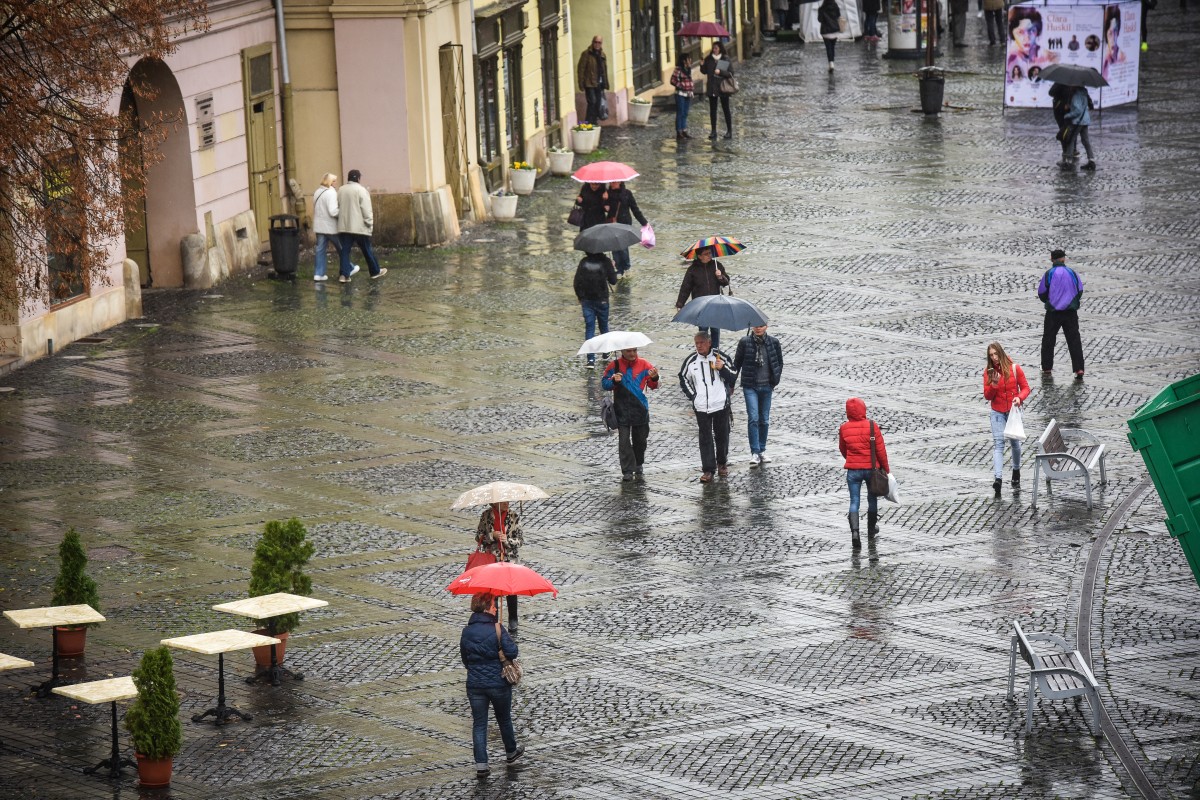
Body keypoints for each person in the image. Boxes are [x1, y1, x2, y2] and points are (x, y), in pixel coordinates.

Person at [459, 592, 523, 777]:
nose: (495, 607)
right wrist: (502, 644)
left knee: (479, 724)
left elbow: (465, 659)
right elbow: (512, 651)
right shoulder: (497, 628)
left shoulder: (466, 631)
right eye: (494, 604)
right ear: (487, 607)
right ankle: (511, 752)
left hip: (475, 685)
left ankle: (481, 764)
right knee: (503, 719)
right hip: (498, 684)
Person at [678, 332, 736, 482]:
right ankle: (708, 469)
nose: (699, 346)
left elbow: (733, 376)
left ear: (709, 342)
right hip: (701, 406)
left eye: (702, 343)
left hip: (720, 404)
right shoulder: (691, 361)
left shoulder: (721, 357)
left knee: (722, 435)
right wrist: (693, 396)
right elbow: (683, 378)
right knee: (705, 438)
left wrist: (722, 368)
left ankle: (722, 462)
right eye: (696, 343)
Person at [601, 347, 660, 482]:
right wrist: (613, 381)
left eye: (634, 350)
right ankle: (627, 470)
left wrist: (654, 378)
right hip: (621, 410)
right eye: (628, 351)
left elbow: (653, 385)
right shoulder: (614, 366)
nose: (632, 354)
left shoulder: (645, 364)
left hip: (640, 409)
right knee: (624, 442)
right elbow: (604, 383)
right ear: (622, 351)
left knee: (640, 440)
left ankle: (638, 463)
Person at [838, 398, 890, 550]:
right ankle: (871, 529)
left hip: (853, 472)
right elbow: (880, 451)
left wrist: (852, 460)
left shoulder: (844, 428)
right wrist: (886, 469)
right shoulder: (872, 426)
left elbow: (843, 448)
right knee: (872, 499)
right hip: (871, 470)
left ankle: (855, 533)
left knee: (854, 501)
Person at [983, 342, 1031, 497]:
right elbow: (987, 396)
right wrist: (994, 385)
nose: (994, 358)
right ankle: (998, 479)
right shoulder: (988, 373)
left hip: (1012, 412)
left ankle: (1016, 471)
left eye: (996, 354)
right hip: (997, 412)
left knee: (1015, 443)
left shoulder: (1015, 368)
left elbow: (1025, 388)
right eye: (991, 355)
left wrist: (1019, 397)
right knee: (998, 444)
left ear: (1001, 353)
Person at [733, 324, 783, 467]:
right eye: (756, 326)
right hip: (750, 386)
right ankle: (755, 451)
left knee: (764, 420)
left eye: (761, 326)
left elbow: (779, 362)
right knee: (753, 418)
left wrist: (775, 380)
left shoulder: (773, 342)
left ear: (766, 326)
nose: (758, 328)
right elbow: (737, 363)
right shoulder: (745, 342)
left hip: (767, 386)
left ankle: (761, 449)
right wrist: (731, 383)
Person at [475, 503, 524, 631]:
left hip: (509, 558)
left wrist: (506, 540)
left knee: (511, 589)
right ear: (495, 504)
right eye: (504, 502)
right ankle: (494, 618)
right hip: (492, 559)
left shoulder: (513, 516)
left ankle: (513, 618)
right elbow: (478, 537)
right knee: (493, 590)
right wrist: (492, 536)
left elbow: (520, 540)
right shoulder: (486, 516)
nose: (507, 503)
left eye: (508, 501)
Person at [1038, 248, 1086, 379]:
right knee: (1074, 340)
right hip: (1070, 312)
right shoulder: (1072, 273)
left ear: (1052, 259)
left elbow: (1042, 292)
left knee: (1048, 340)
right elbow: (1080, 290)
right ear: (1064, 259)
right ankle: (1079, 368)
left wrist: (1050, 301)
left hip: (1053, 312)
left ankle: (1047, 367)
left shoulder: (1049, 273)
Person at [675, 247, 731, 349]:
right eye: (706, 254)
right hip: (701, 305)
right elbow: (685, 287)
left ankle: (714, 351)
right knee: (703, 330)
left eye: (710, 253)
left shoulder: (717, 265)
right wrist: (680, 304)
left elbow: (726, 282)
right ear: (700, 256)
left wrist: (720, 276)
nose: (709, 255)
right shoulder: (692, 270)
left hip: (716, 304)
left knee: (715, 329)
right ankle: (705, 351)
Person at [337, 169, 387, 283]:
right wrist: (369, 223)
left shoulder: (341, 190)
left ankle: (344, 275)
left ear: (348, 178)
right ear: (358, 178)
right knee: (367, 249)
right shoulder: (361, 190)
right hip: (359, 227)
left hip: (345, 226)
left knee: (345, 251)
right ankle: (375, 271)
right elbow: (366, 209)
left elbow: (338, 206)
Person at [573, 251, 617, 368]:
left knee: (589, 329)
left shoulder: (584, 262)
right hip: (602, 300)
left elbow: (577, 282)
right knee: (603, 326)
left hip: (587, 301)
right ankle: (606, 352)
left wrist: (581, 297)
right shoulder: (605, 262)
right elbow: (613, 280)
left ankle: (590, 359)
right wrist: (612, 267)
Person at [604, 181, 648, 277]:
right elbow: (603, 208)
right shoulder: (606, 194)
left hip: (625, 223)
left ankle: (626, 267)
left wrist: (644, 222)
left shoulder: (627, 193)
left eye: (615, 181)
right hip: (612, 223)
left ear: (620, 182)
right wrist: (604, 201)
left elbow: (635, 209)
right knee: (614, 247)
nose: (613, 183)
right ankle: (619, 269)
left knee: (623, 247)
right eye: (611, 181)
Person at [1006, 7, 1054, 81]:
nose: (1027, 38)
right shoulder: (1010, 59)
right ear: (1012, 33)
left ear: (1037, 31)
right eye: (1020, 32)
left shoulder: (1048, 58)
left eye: (1031, 31)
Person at [700, 41, 734, 140]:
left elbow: (731, 73)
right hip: (712, 87)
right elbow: (704, 71)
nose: (714, 49)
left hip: (723, 87)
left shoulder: (725, 58)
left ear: (720, 49)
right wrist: (702, 65)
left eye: (716, 48)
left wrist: (721, 72)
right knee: (713, 110)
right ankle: (713, 131)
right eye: (713, 48)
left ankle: (729, 131)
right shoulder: (708, 59)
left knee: (726, 109)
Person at [311, 173, 342, 282]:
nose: (336, 183)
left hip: (319, 226)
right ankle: (349, 268)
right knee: (342, 248)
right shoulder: (331, 192)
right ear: (329, 182)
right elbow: (333, 211)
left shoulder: (317, 192)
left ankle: (319, 274)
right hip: (330, 227)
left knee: (320, 249)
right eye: (334, 181)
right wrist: (342, 212)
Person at [1061, 86, 1096, 171]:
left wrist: (1067, 115)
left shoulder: (1076, 95)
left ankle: (1068, 162)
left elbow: (1078, 110)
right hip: (1085, 120)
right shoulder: (1084, 92)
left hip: (1077, 121)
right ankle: (1091, 160)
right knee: (1085, 140)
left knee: (1071, 139)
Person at [577, 35, 609, 125]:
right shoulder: (586, 54)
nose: (597, 44)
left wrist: (605, 83)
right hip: (589, 83)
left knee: (598, 103)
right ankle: (588, 122)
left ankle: (594, 122)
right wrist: (581, 83)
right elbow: (581, 69)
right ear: (592, 42)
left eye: (599, 42)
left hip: (599, 83)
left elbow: (604, 70)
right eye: (595, 42)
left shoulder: (602, 55)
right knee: (592, 102)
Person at [669, 54, 695, 140]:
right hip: (680, 94)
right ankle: (679, 132)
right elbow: (672, 80)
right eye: (688, 59)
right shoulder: (678, 70)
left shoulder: (688, 69)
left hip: (688, 94)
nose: (690, 60)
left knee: (685, 113)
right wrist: (681, 86)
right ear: (684, 61)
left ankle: (684, 130)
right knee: (680, 113)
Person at [818, 0, 842, 70]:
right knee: (832, 47)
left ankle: (830, 62)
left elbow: (819, 19)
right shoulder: (835, 6)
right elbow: (838, 15)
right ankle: (832, 61)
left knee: (828, 47)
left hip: (825, 30)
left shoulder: (822, 8)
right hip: (834, 29)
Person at [1102, 5, 1125, 78]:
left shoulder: (1122, 58)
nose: (1114, 38)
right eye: (1110, 33)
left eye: (1116, 32)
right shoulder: (1102, 59)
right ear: (1106, 33)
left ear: (1118, 32)